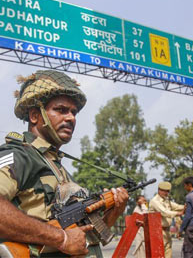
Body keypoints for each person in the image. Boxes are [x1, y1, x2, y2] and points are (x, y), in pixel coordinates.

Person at [0, 70, 129, 257]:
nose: (71, 118)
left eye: (73, 112)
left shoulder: (57, 167)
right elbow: (65, 239)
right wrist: (61, 238)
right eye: (61, 110)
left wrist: (113, 212)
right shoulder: (20, 155)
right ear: (35, 115)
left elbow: (82, 237)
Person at [149, 181, 184, 258]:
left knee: (168, 253)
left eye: (168, 191)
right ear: (159, 190)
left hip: (166, 231)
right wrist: (178, 213)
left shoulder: (166, 200)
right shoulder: (155, 201)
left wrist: (187, 205)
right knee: (159, 253)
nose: (167, 193)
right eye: (165, 191)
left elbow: (177, 206)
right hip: (158, 231)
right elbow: (165, 212)